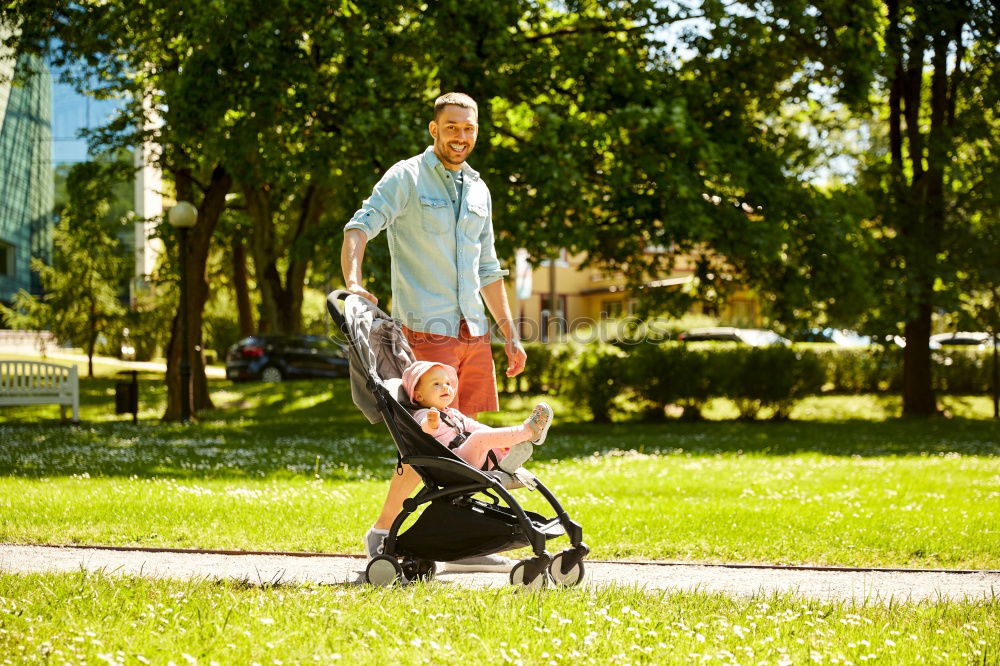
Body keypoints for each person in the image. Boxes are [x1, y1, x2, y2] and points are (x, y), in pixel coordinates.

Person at [341, 92, 528, 572]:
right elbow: (359, 227)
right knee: (425, 446)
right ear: (433, 129)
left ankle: (459, 543)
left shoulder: (480, 189)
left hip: (472, 333)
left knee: (463, 447)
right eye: (451, 128)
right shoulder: (406, 177)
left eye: (469, 128)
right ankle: (383, 533)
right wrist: (356, 285)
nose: (461, 137)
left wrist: (509, 332)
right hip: (424, 334)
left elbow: (488, 267)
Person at [403, 360, 552, 474]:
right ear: (418, 395)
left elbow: (474, 426)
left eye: (448, 383)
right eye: (436, 384)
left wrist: (502, 440)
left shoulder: (452, 413)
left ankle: (507, 458)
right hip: (455, 462)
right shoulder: (423, 414)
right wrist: (431, 423)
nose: (445, 387)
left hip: (471, 457)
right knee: (479, 437)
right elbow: (424, 431)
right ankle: (528, 433)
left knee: (483, 434)